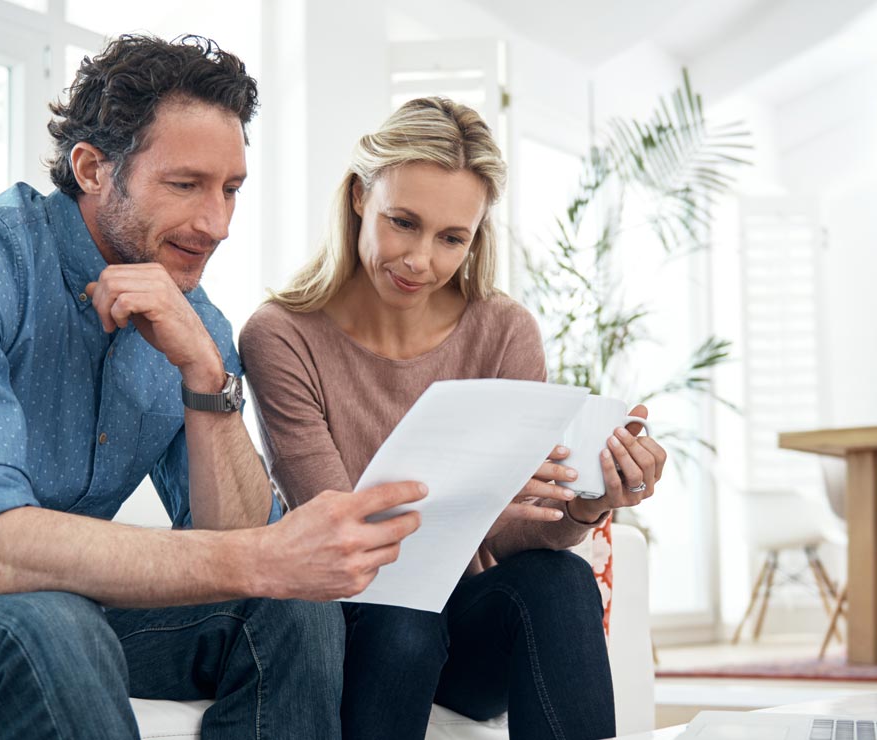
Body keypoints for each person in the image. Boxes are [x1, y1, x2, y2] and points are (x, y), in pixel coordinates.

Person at [0, 34, 425, 740]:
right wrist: (268, 555)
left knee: (291, 606)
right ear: (94, 168)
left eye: (230, 190)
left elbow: (235, 544)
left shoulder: (194, 323)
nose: (217, 224)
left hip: (34, 604)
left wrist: (206, 375)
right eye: (186, 184)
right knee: (50, 624)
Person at [239, 96, 668, 740]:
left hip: (464, 626)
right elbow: (344, 531)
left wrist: (583, 504)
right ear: (360, 196)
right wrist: (471, 511)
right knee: (402, 616)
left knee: (560, 579)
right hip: (354, 621)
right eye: (403, 222)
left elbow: (517, 523)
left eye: (451, 239)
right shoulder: (281, 336)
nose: (421, 261)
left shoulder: (502, 330)